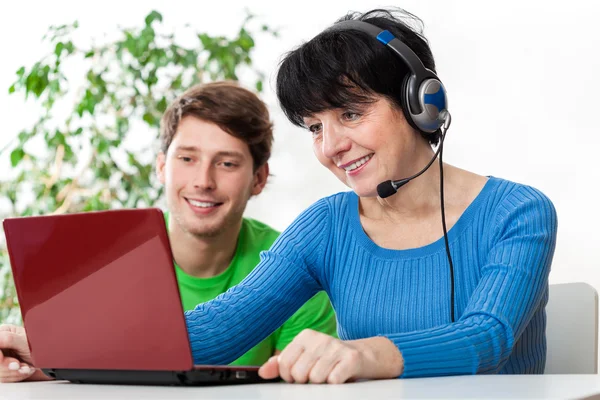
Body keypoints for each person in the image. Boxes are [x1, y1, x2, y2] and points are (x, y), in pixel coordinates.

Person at [180, 8, 557, 383]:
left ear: (420, 104)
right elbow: (225, 324)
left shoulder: (517, 212)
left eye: (350, 114)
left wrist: (363, 352)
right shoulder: (326, 225)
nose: (330, 147)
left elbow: (487, 338)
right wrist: (129, 335)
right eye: (315, 127)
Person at [0, 81, 337, 383]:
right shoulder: (105, 260)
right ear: (162, 167)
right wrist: (32, 369)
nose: (203, 181)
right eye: (187, 159)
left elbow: (295, 387)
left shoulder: (295, 269)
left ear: (259, 179)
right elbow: (71, 368)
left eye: (227, 163)